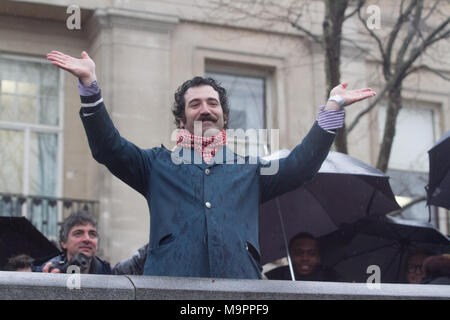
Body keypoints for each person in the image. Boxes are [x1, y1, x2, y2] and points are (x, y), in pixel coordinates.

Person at [46, 50, 376, 279]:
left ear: (224, 115)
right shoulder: (156, 164)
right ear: (181, 117)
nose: (205, 109)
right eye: (195, 104)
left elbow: (300, 167)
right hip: (169, 289)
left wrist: (332, 109)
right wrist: (90, 89)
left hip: (240, 292)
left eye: (212, 103)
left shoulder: (250, 169)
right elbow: (109, 149)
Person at [35, 211, 112, 275]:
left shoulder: (109, 273)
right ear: (64, 243)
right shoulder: (44, 272)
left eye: (92, 234)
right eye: (78, 233)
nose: (87, 239)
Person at [265, 232, 340, 281]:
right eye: (298, 253)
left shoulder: (331, 277)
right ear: (289, 256)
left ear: (318, 257)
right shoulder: (276, 277)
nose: (305, 258)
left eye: (312, 253)